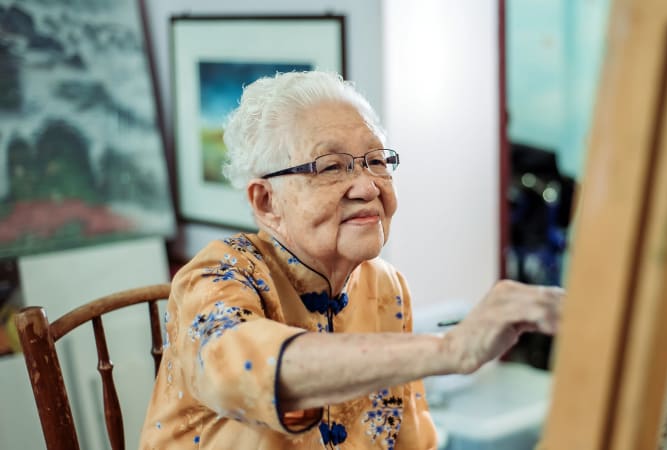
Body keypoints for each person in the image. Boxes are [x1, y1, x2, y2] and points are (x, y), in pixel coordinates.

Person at [139, 71, 563, 449]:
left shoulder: (385, 286)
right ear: (267, 202)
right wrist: (451, 349)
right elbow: (235, 370)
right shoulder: (218, 276)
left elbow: (412, 438)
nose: (367, 186)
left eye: (376, 161)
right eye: (330, 167)